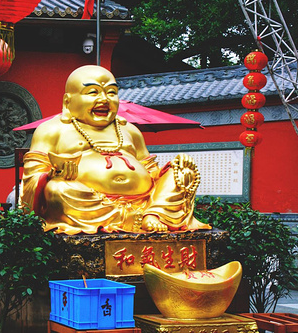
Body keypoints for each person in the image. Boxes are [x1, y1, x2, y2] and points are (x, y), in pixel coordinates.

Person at [21, 65, 209, 235]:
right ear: (68, 101)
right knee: (57, 189)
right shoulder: (52, 130)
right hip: (87, 203)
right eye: (92, 92)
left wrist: (173, 169)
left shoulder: (129, 130)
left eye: (111, 92)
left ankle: (154, 214)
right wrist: (54, 175)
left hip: (143, 199)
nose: (104, 99)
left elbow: (151, 172)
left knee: (182, 173)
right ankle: (130, 219)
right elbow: (31, 178)